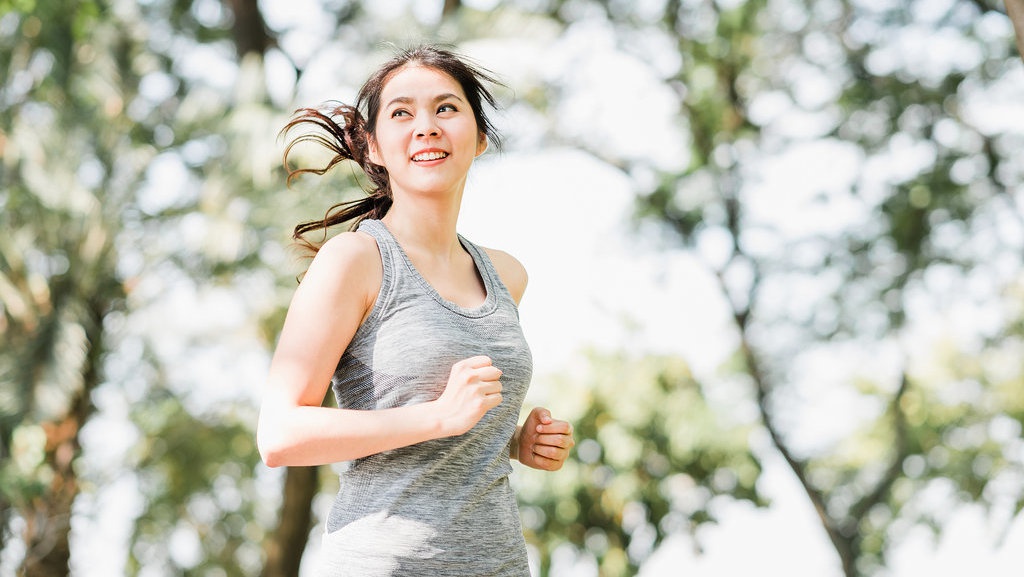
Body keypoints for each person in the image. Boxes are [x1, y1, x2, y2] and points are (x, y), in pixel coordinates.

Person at [256, 45, 575, 576]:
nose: (426, 126)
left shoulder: (506, 275)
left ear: (480, 138)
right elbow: (279, 435)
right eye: (401, 113)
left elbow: (457, 426)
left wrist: (515, 440)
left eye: (446, 109)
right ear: (375, 146)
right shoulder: (355, 261)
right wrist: (437, 417)